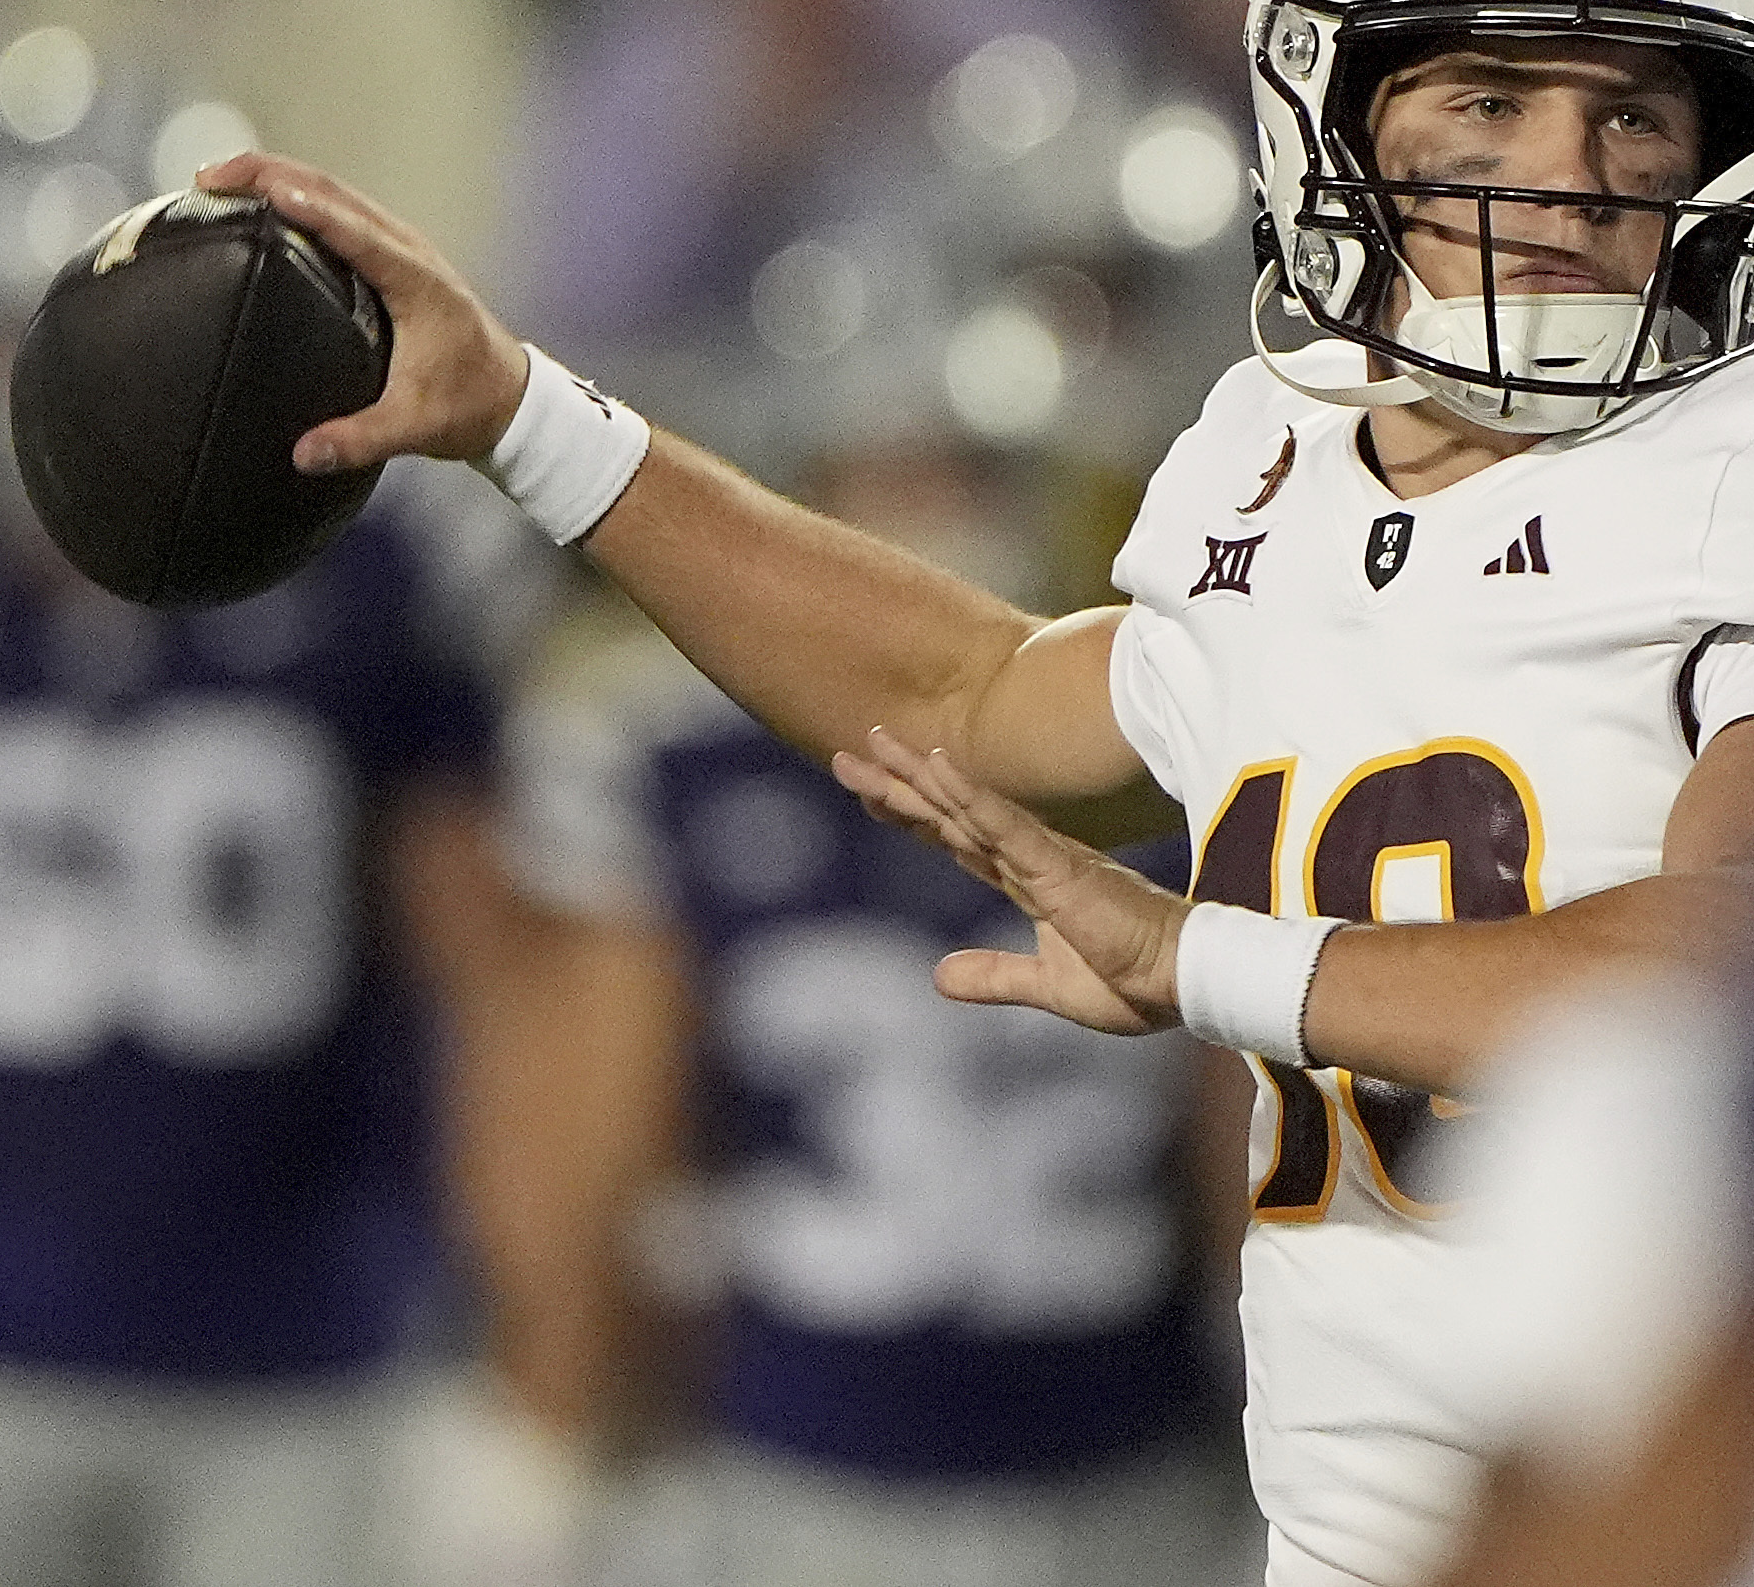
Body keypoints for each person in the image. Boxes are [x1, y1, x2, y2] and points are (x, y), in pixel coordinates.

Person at [201, 0, 1754, 1587]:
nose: (1567, 168)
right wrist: (527, 417)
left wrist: (1210, 958)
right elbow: (966, 700)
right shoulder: (1275, 454)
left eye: (1642, 111)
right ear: (1334, 106)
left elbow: (1742, 968)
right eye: (1488, 95)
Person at [0, 328, 612, 1587]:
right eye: (16, 339)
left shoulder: (363, 570)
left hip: (302, 1347)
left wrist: (538, 1380)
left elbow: (503, 985)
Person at [505, 429, 1260, 1587]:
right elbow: (604, 1150)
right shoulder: (670, 753)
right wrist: (564, 1409)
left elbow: (1242, 1142)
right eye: (896, 458)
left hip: (1129, 1445)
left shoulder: (1179, 734)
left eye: (966, 466)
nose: (933, 510)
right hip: (796, 1458)